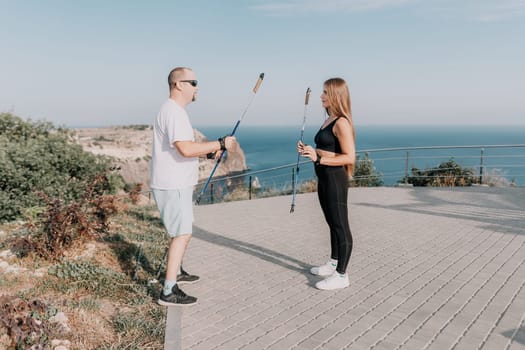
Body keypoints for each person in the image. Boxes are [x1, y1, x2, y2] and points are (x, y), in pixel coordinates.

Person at [151, 67, 237, 306]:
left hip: (176, 182)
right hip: (173, 183)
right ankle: (168, 291)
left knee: (183, 230)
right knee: (182, 233)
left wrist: (210, 153)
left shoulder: (174, 111)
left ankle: (176, 272)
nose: (197, 87)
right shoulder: (174, 112)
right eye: (193, 82)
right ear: (179, 84)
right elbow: (186, 149)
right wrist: (220, 143)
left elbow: (183, 149)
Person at [297, 77, 356, 290]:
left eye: (325, 93)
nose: (321, 96)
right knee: (331, 222)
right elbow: (328, 149)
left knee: (341, 226)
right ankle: (333, 263)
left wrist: (319, 158)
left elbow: (349, 157)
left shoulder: (341, 122)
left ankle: (342, 275)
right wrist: (310, 151)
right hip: (323, 176)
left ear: (335, 96)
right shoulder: (328, 119)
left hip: (334, 179)